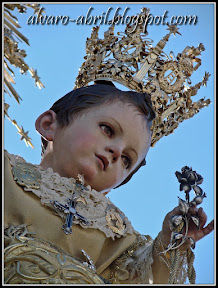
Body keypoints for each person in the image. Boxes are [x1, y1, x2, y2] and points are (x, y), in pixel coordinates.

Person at [4, 81, 214, 284]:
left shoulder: (115, 234)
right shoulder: (7, 174)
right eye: (107, 130)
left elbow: (143, 278)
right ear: (49, 125)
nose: (116, 151)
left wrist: (171, 241)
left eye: (126, 160)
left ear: (112, 188)